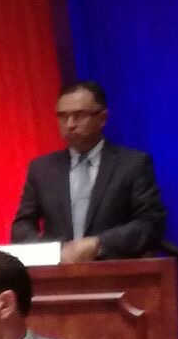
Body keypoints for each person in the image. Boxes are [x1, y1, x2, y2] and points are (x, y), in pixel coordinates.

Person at [11, 81, 166, 263]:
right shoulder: (42, 169)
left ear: (103, 118)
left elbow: (151, 223)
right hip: (58, 271)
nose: (70, 124)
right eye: (63, 116)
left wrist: (100, 244)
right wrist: (54, 252)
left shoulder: (132, 164)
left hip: (115, 269)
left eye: (79, 116)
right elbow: (22, 226)